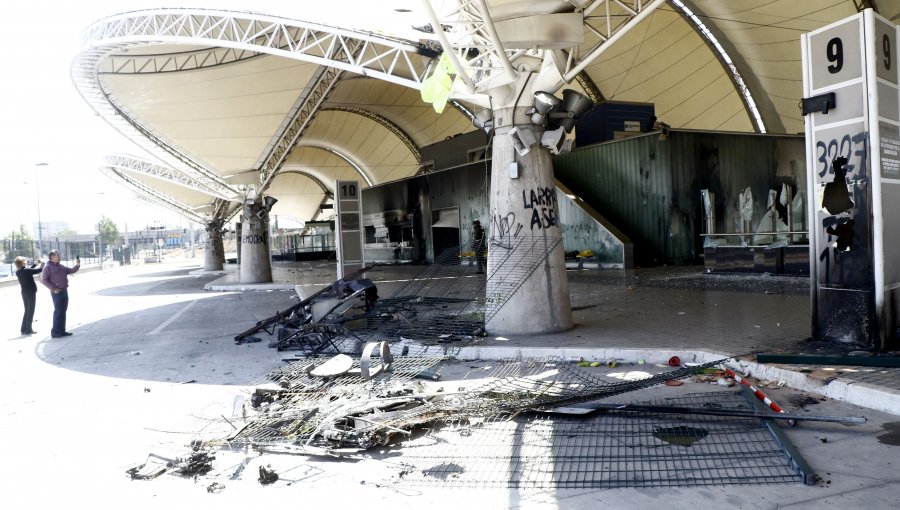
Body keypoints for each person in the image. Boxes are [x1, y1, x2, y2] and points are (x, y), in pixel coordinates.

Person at [40, 250, 80, 338]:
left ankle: (62, 331)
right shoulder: (47, 267)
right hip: (56, 293)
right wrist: (53, 288)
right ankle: (55, 332)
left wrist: (77, 265)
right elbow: (43, 280)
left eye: (59, 255)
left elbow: (71, 270)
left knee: (63, 311)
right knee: (58, 312)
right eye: (58, 255)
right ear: (52, 257)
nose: (59, 257)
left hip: (64, 290)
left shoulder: (61, 266)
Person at [15, 256, 44, 335]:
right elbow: (39, 270)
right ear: (22, 263)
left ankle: (23, 328)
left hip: (24, 292)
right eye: (25, 261)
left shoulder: (18, 272)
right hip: (30, 292)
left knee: (27, 310)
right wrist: (43, 263)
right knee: (31, 311)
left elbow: (28, 270)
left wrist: (35, 264)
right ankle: (28, 329)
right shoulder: (26, 271)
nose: (26, 261)